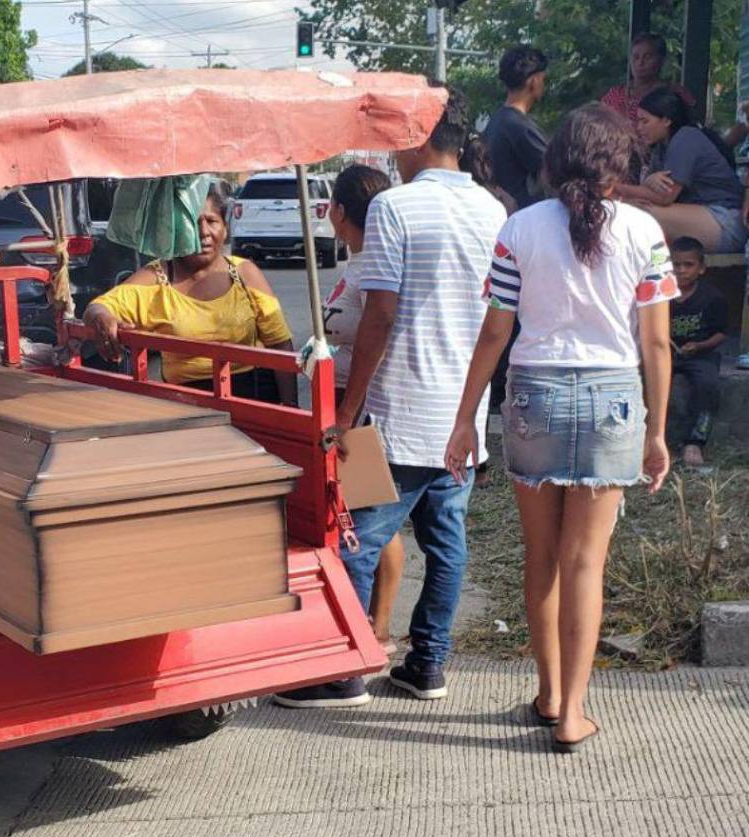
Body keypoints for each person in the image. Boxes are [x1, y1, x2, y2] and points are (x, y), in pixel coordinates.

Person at [445, 103, 673, 752]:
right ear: (619, 163)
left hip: (534, 396)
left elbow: (495, 329)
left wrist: (467, 420)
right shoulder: (646, 233)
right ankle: (574, 713)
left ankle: (546, 695)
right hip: (613, 400)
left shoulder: (519, 229)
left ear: (553, 162)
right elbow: (656, 346)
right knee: (585, 564)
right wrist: (658, 431)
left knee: (541, 556)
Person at [275, 87, 507, 709]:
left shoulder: (396, 208)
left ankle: (344, 672)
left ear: (419, 137)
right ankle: (427, 665)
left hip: (400, 414)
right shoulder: (494, 211)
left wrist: (347, 412)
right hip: (463, 419)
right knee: (447, 545)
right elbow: (496, 321)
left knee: (357, 541)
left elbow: (379, 313)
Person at [84, 181, 298, 405]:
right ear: (175, 231)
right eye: (193, 224)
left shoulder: (244, 272)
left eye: (212, 221)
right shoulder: (156, 279)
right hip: (189, 407)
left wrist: (291, 407)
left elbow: (280, 344)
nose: (204, 232)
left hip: (254, 399)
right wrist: (102, 317)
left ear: (225, 229)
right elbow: (99, 307)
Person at [322, 164, 404, 656]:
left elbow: (376, 329)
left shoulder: (376, 268)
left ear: (339, 212)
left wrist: (349, 411)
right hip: (338, 402)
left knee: (374, 517)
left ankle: (379, 625)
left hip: (364, 408)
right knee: (355, 513)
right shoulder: (352, 264)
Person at [616, 87, 748, 254]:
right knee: (627, 207)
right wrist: (648, 181)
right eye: (638, 121)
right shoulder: (661, 147)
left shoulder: (686, 138)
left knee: (641, 214)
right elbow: (649, 190)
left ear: (666, 120)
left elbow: (665, 197)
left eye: (645, 121)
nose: (639, 128)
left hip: (725, 220)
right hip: (698, 216)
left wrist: (616, 187)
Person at [668, 236, 727, 467]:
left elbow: (722, 333)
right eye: (676, 264)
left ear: (701, 268)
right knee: (647, 378)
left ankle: (695, 441)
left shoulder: (712, 297)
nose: (681, 270)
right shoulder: (662, 296)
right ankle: (650, 438)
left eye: (688, 265)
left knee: (707, 384)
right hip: (668, 352)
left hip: (701, 355)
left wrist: (700, 346)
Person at [484, 45, 549, 211]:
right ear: (533, 81)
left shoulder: (497, 121)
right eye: (543, 79)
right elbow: (557, 169)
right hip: (525, 218)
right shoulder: (519, 127)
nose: (544, 84)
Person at [601, 32, 695, 128]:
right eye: (635, 57)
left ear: (661, 60)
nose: (640, 62)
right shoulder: (615, 95)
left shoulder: (675, 93)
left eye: (647, 57)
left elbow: (687, 129)